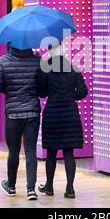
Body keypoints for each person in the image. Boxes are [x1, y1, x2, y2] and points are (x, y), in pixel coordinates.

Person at [37, 44, 88, 198]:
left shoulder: (45, 70)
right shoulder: (74, 69)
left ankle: (49, 187)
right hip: (70, 114)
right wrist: (71, 96)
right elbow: (83, 92)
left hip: (52, 114)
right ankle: (70, 189)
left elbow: (41, 93)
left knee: (51, 153)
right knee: (68, 153)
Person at [0, 45, 41, 201]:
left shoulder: (3, 61)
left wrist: (10, 88)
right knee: (30, 151)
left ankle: (11, 186)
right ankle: (31, 190)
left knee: (13, 151)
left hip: (12, 113)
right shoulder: (37, 61)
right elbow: (42, 89)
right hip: (32, 112)